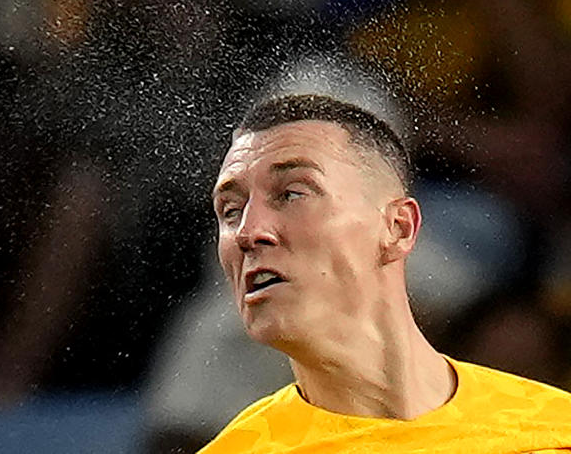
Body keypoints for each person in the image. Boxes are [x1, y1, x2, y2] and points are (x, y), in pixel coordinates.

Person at [200, 94, 571, 453]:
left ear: (399, 228)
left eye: (292, 194)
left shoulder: (553, 431)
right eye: (230, 210)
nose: (248, 232)